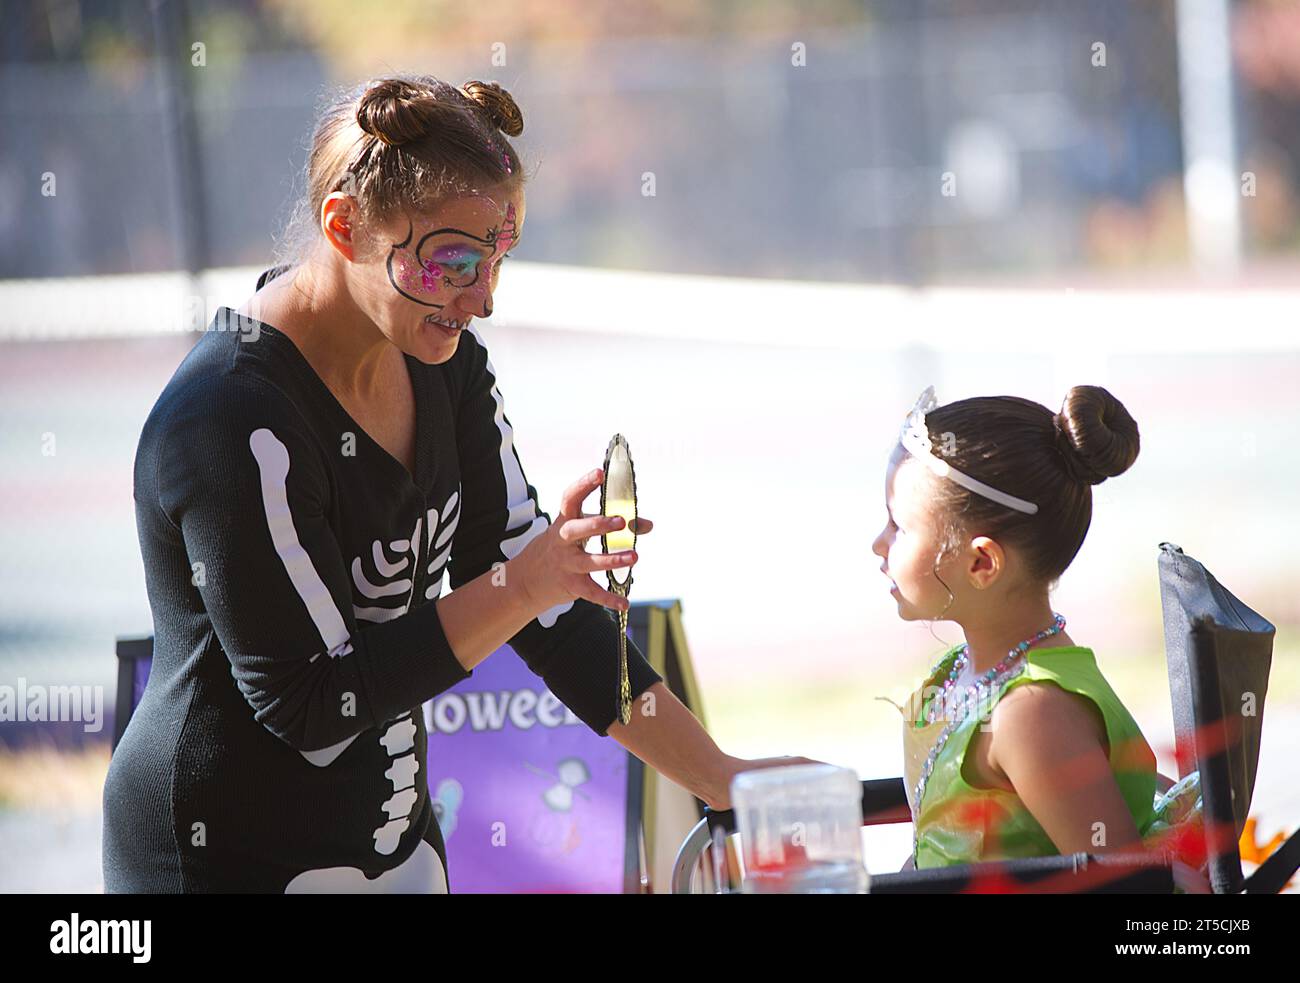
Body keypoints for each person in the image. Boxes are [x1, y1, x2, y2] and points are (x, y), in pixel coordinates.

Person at [103, 74, 812, 893]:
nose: (483, 299)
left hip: (395, 844)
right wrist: (520, 582)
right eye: (454, 261)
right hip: (222, 857)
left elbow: (545, 606)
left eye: (498, 258)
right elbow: (313, 705)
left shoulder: (444, 365)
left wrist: (721, 775)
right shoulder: (229, 417)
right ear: (346, 226)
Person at [871, 385, 1202, 873]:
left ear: (982, 562)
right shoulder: (964, 670)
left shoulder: (1032, 715)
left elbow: (1123, 890)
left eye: (898, 526)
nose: (878, 545)